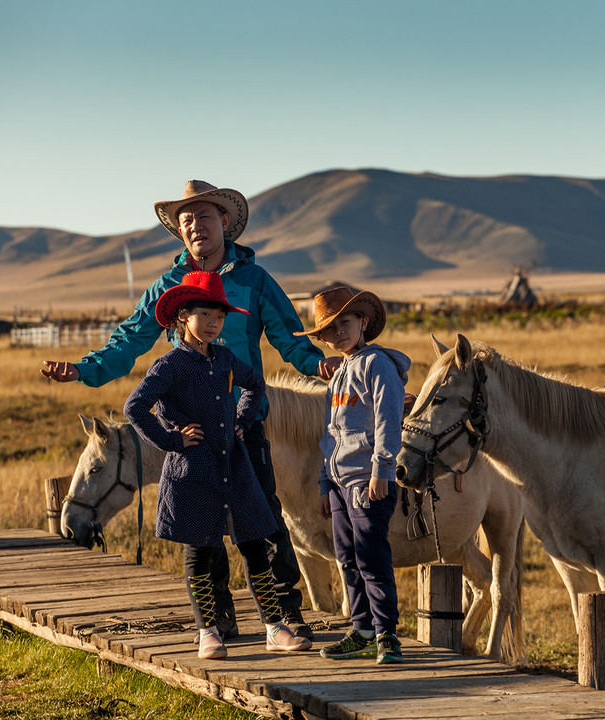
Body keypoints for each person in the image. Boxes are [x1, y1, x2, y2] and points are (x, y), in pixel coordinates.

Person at [42, 180, 340, 640]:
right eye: (186, 221)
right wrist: (83, 370)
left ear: (225, 221)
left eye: (203, 217)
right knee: (202, 534)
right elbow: (130, 342)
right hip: (192, 436)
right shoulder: (168, 288)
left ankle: (284, 617)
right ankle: (217, 625)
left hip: (244, 431)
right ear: (179, 232)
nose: (195, 226)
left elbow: (287, 336)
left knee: (263, 524)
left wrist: (320, 364)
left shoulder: (253, 281)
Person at [123, 270, 310, 658]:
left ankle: (274, 629)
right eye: (205, 315)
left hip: (234, 466)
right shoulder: (170, 365)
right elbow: (134, 407)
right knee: (200, 550)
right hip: (193, 471)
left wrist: (242, 420)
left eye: (219, 317)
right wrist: (172, 440)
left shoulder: (225, 357)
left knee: (255, 543)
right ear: (183, 317)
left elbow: (255, 384)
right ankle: (208, 631)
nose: (213, 323)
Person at [296, 286, 411, 664]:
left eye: (344, 323)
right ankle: (361, 629)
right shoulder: (340, 373)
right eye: (329, 331)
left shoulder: (376, 365)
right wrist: (325, 483)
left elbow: (388, 420)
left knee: (371, 557)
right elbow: (331, 433)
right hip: (341, 482)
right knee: (347, 558)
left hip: (368, 479)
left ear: (362, 321)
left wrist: (382, 469)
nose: (338, 334)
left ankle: (386, 635)